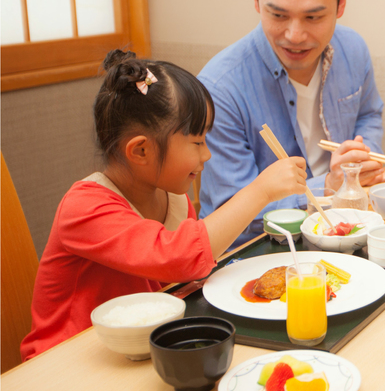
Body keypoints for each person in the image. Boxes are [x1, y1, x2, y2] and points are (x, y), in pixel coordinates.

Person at [21, 50, 307, 360]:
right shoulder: (84, 208)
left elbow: (185, 278)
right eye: (197, 142)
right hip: (68, 360)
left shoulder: (173, 196)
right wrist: (260, 191)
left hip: (140, 346)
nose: (206, 154)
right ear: (141, 151)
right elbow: (177, 256)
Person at [198, 0, 385, 246]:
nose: (295, 35)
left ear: (340, 3)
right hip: (259, 249)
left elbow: (368, 115)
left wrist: (358, 166)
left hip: (343, 226)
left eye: (313, 17)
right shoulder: (219, 88)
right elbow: (231, 211)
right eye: (279, 15)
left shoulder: (353, 50)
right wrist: (327, 187)